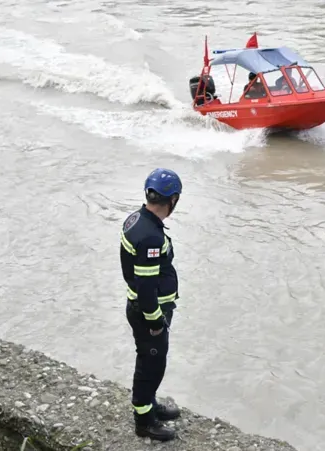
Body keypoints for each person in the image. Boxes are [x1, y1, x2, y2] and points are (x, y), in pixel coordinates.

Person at [119, 168, 183, 441]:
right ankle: (144, 421)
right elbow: (146, 288)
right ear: (173, 199)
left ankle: (150, 405)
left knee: (150, 362)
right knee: (151, 365)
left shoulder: (136, 219)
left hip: (140, 307)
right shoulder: (151, 238)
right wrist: (156, 320)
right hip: (148, 313)